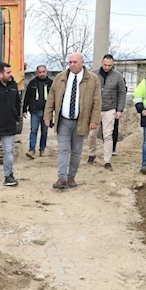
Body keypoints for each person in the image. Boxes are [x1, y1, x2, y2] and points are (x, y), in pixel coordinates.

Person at [43, 52, 101, 189]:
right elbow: (51, 98)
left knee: (76, 151)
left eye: (75, 62)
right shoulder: (60, 78)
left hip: (81, 121)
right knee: (63, 149)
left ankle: (71, 177)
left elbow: (97, 102)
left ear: (82, 63)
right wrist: (47, 115)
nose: (72, 65)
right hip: (63, 120)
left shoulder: (93, 79)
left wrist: (94, 120)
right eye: (70, 62)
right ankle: (61, 178)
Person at [88, 54, 126, 171]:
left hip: (110, 109)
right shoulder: (93, 74)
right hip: (95, 109)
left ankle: (107, 160)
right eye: (105, 65)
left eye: (109, 65)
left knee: (108, 135)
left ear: (113, 64)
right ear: (101, 62)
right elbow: (87, 91)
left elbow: (122, 93)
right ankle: (92, 154)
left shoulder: (118, 76)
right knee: (91, 135)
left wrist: (119, 110)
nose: (107, 67)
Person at [23, 64, 53, 158]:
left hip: (47, 112)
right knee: (34, 130)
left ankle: (42, 149)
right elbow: (27, 96)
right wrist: (24, 109)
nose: (41, 74)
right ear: (37, 73)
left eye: (43, 72)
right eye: (40, 72)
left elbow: (55, 97)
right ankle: (32, 150)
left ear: (46, 71)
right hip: (35, 111)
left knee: (44, 132)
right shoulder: (32, 83)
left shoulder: (51, 83)